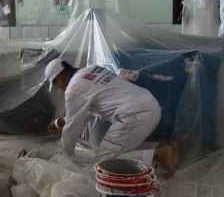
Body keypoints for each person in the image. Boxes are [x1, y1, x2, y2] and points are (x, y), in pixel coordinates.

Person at [44, 58, 179, 177]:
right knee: (121, 148)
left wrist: (63, 156)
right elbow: (86, 113)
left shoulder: (74, 88)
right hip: (150, 106)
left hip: (134, 115)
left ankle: (158, 154)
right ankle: (167, 146)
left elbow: (72, 127)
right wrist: (62, 121)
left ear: (60, 79)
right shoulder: (92, 69)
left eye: (56, 85)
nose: (59, 88)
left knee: (104, 161)